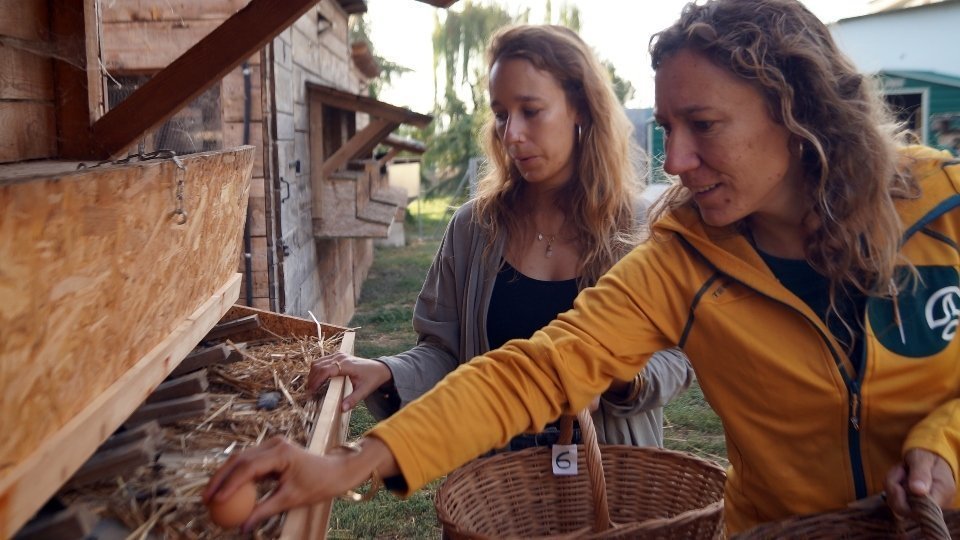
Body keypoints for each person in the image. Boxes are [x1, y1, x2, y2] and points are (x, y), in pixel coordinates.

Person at [204, 0, 960, 535]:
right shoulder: (681, 259)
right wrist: (350, 464)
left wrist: (945, 441)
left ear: (801, 112)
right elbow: (531, 370)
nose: (678, 161)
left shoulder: (945, 205)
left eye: (704, 126)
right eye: (667, 128)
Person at [306, 24, 692, 451]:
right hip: (496, 488)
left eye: (530, 110)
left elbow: (677, 357)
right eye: (502, 114)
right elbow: (444, 352)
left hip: (616, 482)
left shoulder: (639, 228)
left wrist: (624, 380)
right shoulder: (474, 229)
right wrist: (385, 369)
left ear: (580, 107)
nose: (512, 135)